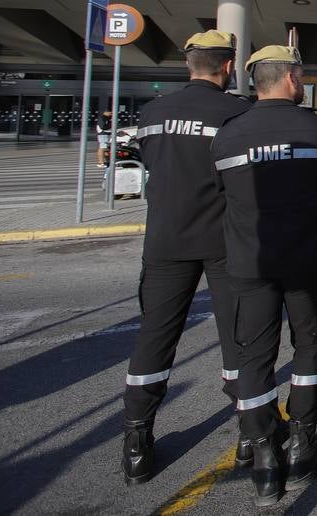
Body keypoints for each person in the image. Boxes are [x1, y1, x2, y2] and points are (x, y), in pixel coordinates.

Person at [212, 45, 317, 505]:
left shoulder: (229, 136)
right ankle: (303, 444)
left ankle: (265, 457)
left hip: (250, 265)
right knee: (309, 346)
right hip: (306, 262)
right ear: (292, 78)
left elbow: (219, 189)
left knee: (254, 356)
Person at [120, 31, 252, 484]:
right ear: (228, 67)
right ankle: (249, 435)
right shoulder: (236, 112)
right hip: (222, 241)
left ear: (189, 64)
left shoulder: (153, 112)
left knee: (155, 337)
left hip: (165, 242)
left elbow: (155, 164)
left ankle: (137, 442)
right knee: (237, 337)